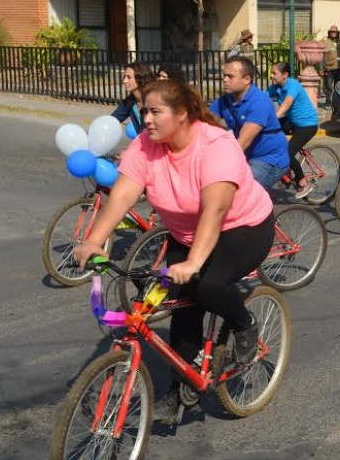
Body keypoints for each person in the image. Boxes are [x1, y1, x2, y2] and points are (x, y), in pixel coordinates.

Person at [72, 77, 276, 420]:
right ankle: (179, 389)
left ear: (182, 114)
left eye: (155, 112)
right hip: (186, 234)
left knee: (206, 285)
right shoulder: (145, 145)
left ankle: (244, 323)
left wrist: (196, 261)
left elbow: (216, 209)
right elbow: (122, 194)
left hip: (243, 228)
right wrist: (94, 240)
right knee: (184, 309)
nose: (146, 119)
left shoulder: (216, 145)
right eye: (144, 111)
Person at [210, 56, 289, 192]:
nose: (225, 80)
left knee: (238, 193)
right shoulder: (224, 100)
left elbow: (243, 142)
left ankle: (261, 211)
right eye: (224, 76)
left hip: (268, 159)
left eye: (230, 76)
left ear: (247, 79)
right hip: (244, 157)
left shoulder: (259, 101)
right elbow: (203, 125)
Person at [268, 62, 320, 199]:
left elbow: (285, 106)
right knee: (267, 132)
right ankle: (284, 169)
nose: (271, 76)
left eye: (274, 73)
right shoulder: (276, 88)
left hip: (307, 125)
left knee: (287, 153)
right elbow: (261, 98)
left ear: (285, 75)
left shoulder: (293, 86)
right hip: (292, 122)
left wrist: (270, 118)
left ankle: (303, 181)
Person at [112, 62, 154, 134]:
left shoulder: (153, 101)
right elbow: (112, 120)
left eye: (129, 77)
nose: (124, 81)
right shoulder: (130, 102)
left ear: (140, 79)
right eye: (124, 77)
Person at [323, 25, 340, 106]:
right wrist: (321, 68)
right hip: (329, 68)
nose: (333, 33)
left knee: (338, 87)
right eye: (332, 32)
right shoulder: (325, 42)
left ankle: (336, 103)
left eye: (335, 32)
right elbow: (321, 56)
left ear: (337, 33)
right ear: (329, 33)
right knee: (329, 87)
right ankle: (328, 103)